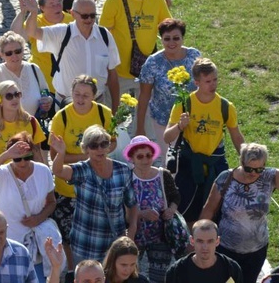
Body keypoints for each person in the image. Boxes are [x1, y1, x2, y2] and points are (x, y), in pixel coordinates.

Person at [200, 143, 279, 283]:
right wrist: (199, 239)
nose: (253, 173)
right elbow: (209, 210)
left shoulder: (270, 176)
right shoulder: (225, 178)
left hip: (256, 251)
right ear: (241, 163)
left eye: (259, 169)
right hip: (226, 248)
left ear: (264, 164)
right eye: (248, 169)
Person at [164, 58, 245, 225]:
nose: (213, 84)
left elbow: (236, 136)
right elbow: (167, 137)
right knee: (187, 213)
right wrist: (180, 126)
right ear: (197, 82)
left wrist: (247, 161)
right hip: (189, 165)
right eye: (208, 81)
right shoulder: (184, 103)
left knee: (217, 213)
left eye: (215, 79)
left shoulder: (225, 106)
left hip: (216, 166)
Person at [46, 76, 113, 269]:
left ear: (95, 96)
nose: (81, 99)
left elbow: (113, 142)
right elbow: (55, 156)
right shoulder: (62, 117)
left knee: (99, 232)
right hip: (69, 189)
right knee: (68, 235)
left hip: (98, 185)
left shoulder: (104, 113)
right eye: (77, 94)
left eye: (86, 95)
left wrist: (93, 155)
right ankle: (72, 271)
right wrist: (89, 157)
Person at [100, 0, 171, 134]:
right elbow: (103, 35)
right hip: (119, 71)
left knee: (146, 117)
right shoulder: (114, 0)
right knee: (112, 115)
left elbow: (167, 28)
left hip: (146, 70)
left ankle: (144, 149)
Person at [51, 125, 138, 265]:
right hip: (86, 243)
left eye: (103, 144)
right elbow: (58, 171)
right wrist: (61, 153)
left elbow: (132, 203)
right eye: (93, 145)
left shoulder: (122, 170)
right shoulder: (82, 170)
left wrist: (132, 230)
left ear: (109, 146)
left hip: (115, 244)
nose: (99, 149)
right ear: (85, 149)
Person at [0, 132, 58, 282]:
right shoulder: (2, 174)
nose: (22, 163)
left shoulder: (43, 171)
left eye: (27, 157)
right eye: (17, 158)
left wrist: (39, 218)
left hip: (37, 243)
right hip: (10, 244)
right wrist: (5, 155)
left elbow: (52, 202)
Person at [23, 0, 120, 111]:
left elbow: (112, 74)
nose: (89, 19)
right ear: (73, 14)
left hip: (97, 105)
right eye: (84, 16)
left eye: (92, 15)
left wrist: (115, 109)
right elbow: (32, 32)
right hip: (67, 105)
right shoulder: (61, 33)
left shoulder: (104, 35)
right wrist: (33, 12)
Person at [135, 18, 201, 165]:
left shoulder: (194, 56)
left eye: (176, 38)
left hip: (192, 119)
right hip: (163, 120)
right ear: (161, 39)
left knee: (194, 159)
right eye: (167, 39)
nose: (172, 42)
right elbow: (144, 96)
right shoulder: (152, 63)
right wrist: (140, 127)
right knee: (171, 162)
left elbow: (203, 85)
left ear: (183, 38)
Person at [0, 80, 47, 209]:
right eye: (9, 96)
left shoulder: (30, 121)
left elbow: (37, 155)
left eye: (17, 94)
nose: (14, 98)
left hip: (26, 178)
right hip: (1, 180)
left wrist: (43, 179)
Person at [123, 136, 180, 283]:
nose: (145, 160)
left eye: (148, 155)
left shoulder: (163, 174)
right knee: (131, 277)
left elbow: (175, 196)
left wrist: (171, 210)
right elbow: (121, 210)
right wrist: (142, 214)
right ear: (132, 158)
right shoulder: (126, 178)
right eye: (140, 156)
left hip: (161, 236)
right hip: (135, 237)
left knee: (159, 278)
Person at [11, 0, 72, 95]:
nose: (57, 7)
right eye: (52, 4)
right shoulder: (36, 21)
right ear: (42, 8)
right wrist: (24, 12)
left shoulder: (72, 20)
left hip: (67, 77)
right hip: (41, 78)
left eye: (59, 2)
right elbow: (17, 36)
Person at [0, 31, 52, 117]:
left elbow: (45, 93)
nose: (14, 56)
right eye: (9, 53)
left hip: (32, 125)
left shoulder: (33, 68)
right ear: (2, 55)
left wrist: (47, 102)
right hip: (5, 127)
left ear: (23, 51)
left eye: (18, 51)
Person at [164, 220, 242, 283]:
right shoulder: (176, 272)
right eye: (200, 241)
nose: (205, 247)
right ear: (192, 241)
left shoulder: (231, 269)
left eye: (210, 241)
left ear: (217, 241)